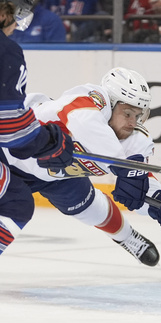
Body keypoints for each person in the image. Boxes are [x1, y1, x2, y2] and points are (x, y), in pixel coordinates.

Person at [2, 67, 161, 266]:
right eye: (127, 113)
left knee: (90, 206)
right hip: (10, 154)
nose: (132, 122)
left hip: (57, 175)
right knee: (15, 208)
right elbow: (82, 120)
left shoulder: (136, 140)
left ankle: (127, 237)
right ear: (110, 104)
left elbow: (140, 183)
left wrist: (160, 202)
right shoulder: (89, 99)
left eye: (137, 116)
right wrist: (121, 164)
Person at [0, 0, 74, 254]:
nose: (18, 20)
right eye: (16, 11)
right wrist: (49, 143)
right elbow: (11, 128)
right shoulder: (5, 50)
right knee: (14, 203)